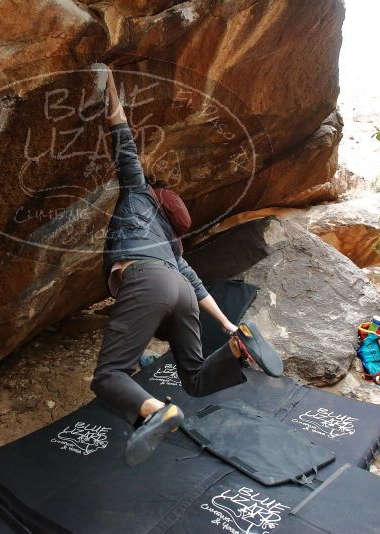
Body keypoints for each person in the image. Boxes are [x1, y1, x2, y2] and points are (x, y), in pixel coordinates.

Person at [89, 65, 282, 466]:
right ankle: (234, 348)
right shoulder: (173, 242)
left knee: (109, 375)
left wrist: (108, 83)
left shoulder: (138, 196)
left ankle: (157, 411)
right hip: (179, 290)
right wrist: (230, 326)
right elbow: (194, 284)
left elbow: (122, 137)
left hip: (147, 280)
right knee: (193, 377)